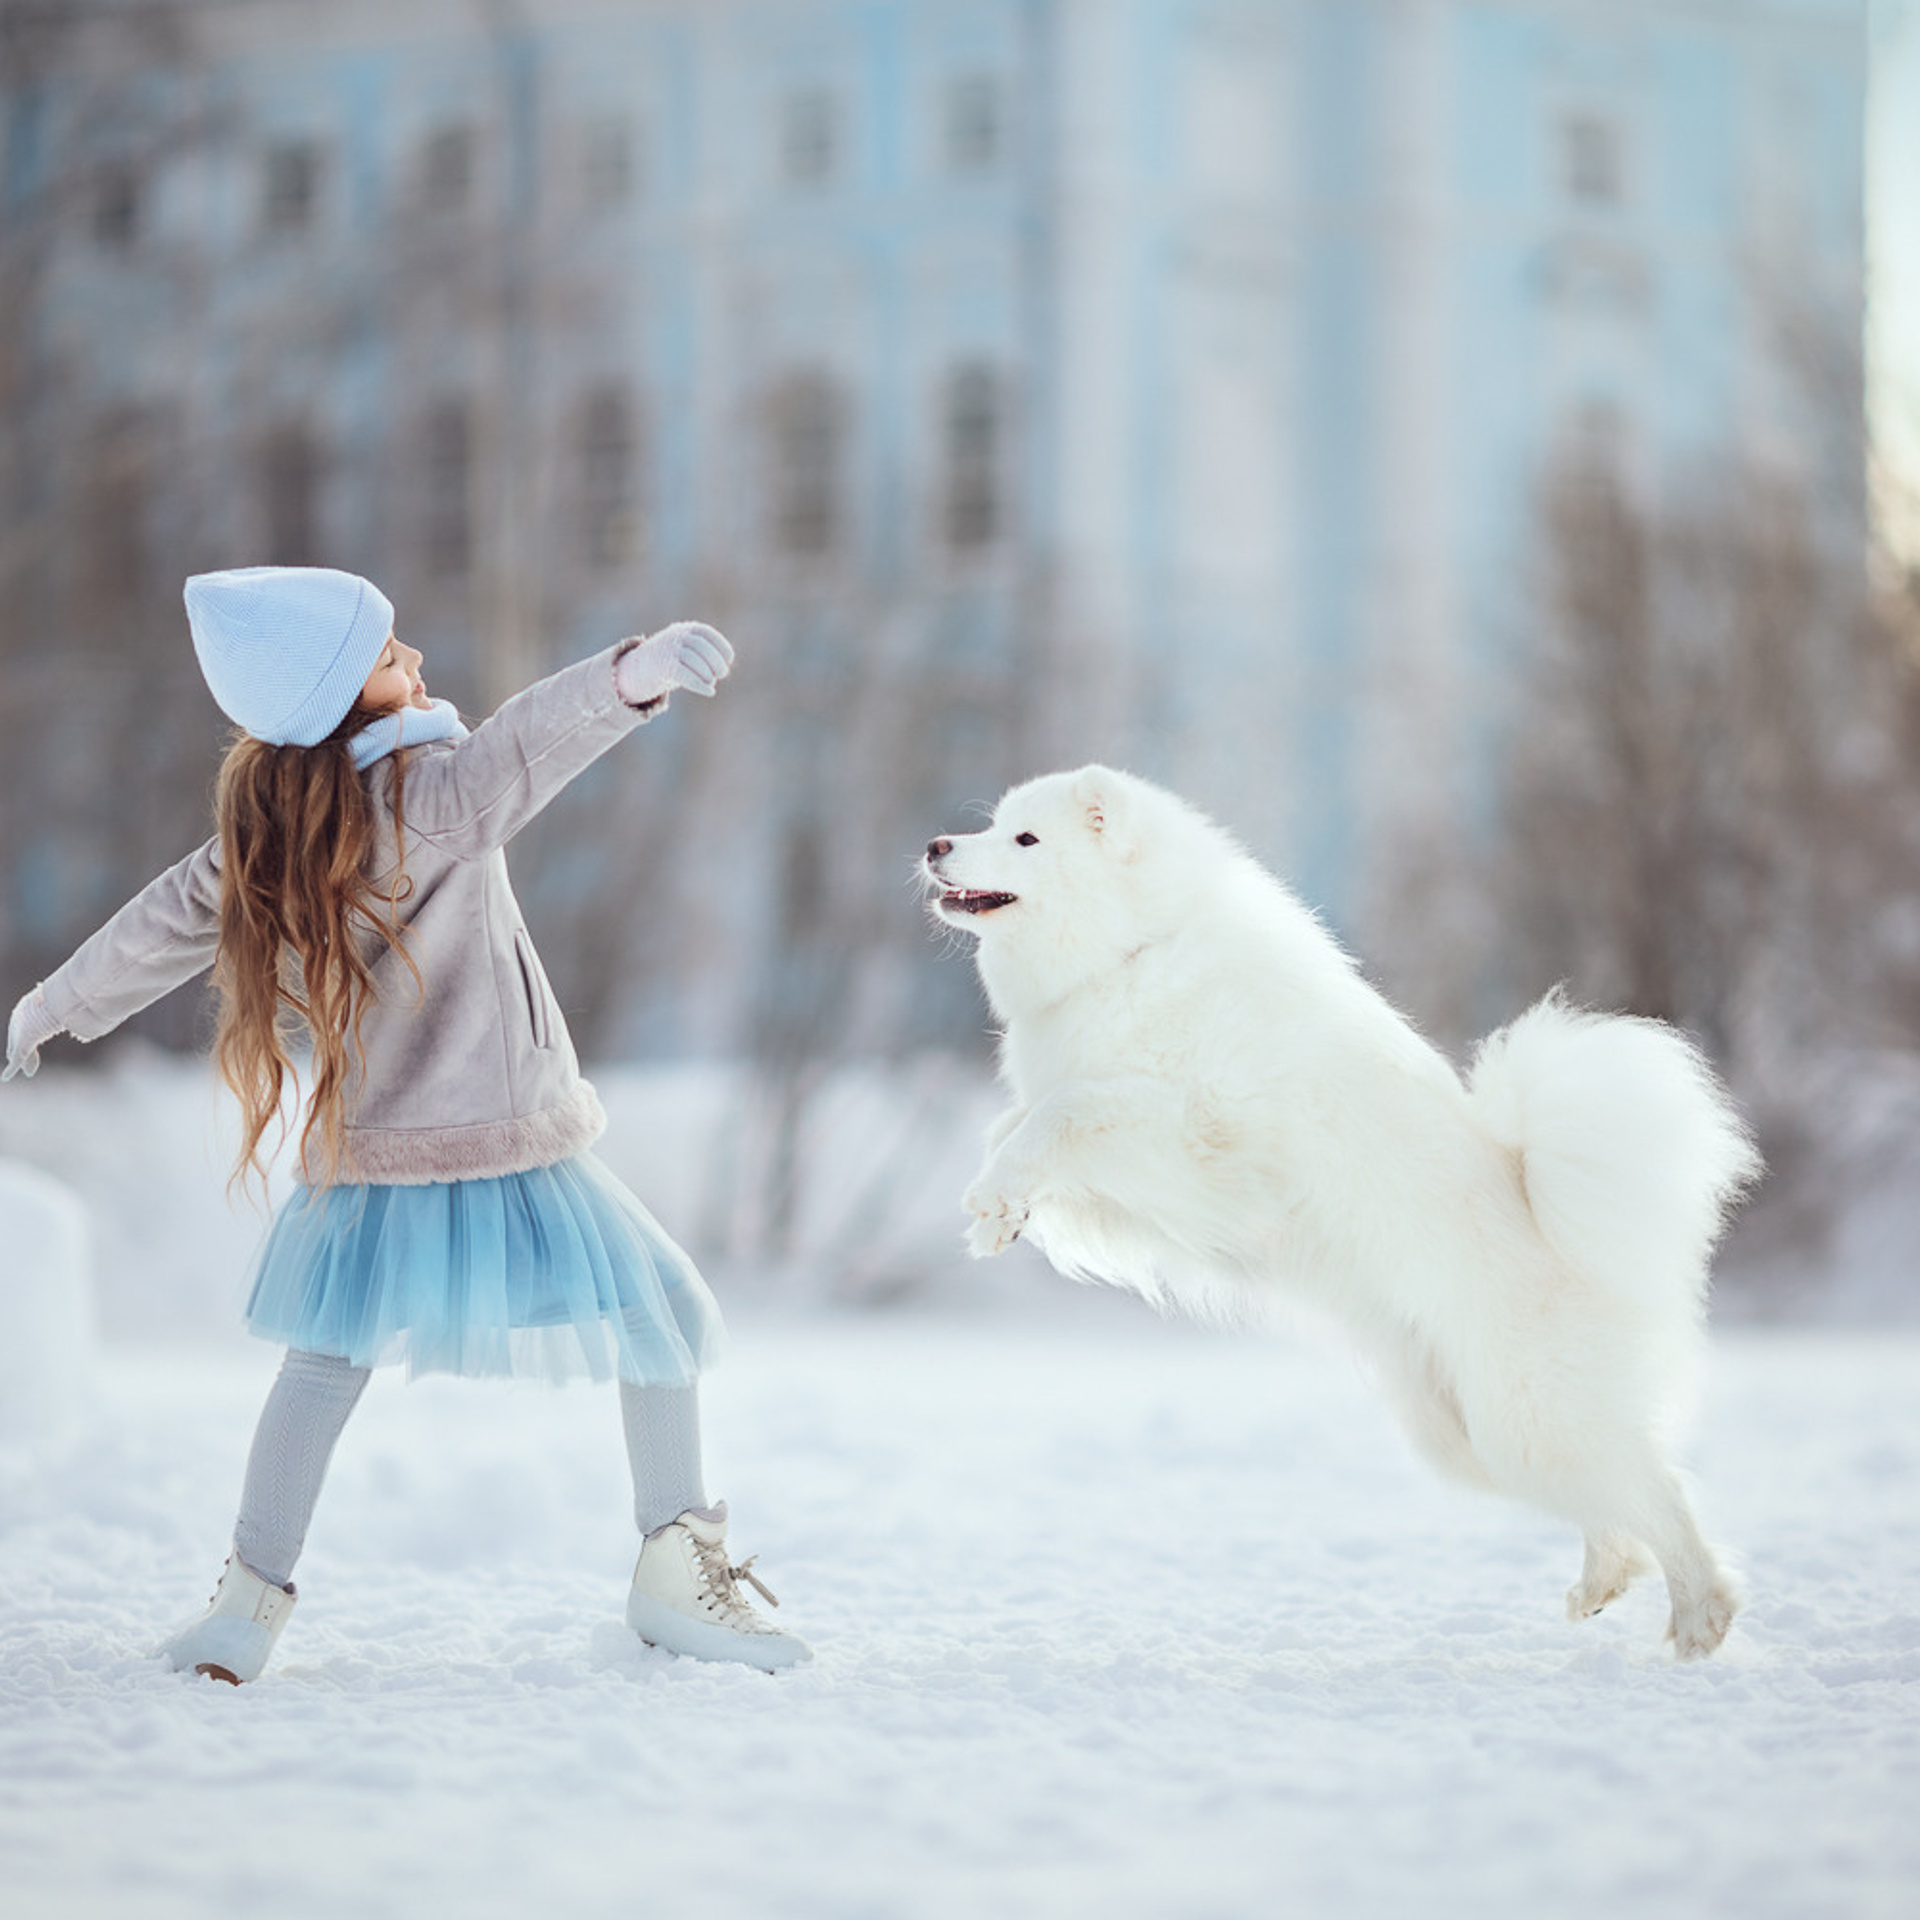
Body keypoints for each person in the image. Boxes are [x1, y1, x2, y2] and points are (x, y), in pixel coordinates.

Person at [2, 565, 808, 1681]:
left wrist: (49, 1008)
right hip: (500, 1134)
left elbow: (160, 923)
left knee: (323, 1368)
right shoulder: (430, 796)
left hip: (372, 1152)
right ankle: (678, 1574)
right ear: (339, 695)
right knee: (662, 1314)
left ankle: (246, 1603)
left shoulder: (272, 834)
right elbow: (524, 744)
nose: (417, 661)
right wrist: (629, 676)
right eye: (389, 654)